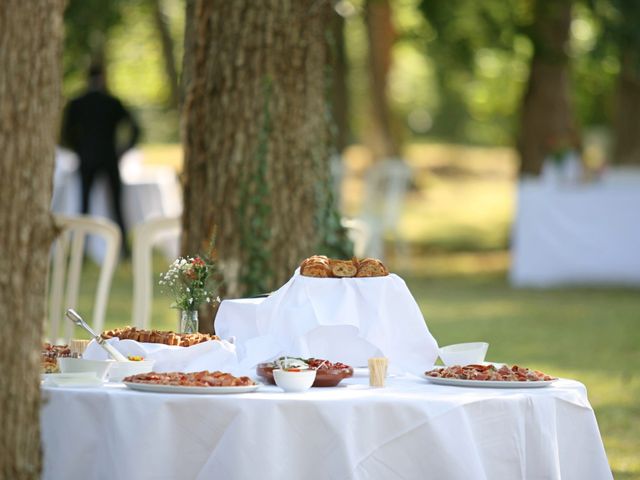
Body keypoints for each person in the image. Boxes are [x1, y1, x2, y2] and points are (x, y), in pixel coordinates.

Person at [61, 64, 140, 256]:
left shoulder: (77, 103)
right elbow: (135, 128)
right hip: (109, 158)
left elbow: (65, 133)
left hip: (86, 159)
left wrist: (78, 149)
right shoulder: (112, 101)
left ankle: (82, 249)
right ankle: (124, 250)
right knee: (117, 205)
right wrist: (123, 150)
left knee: (84, 206)